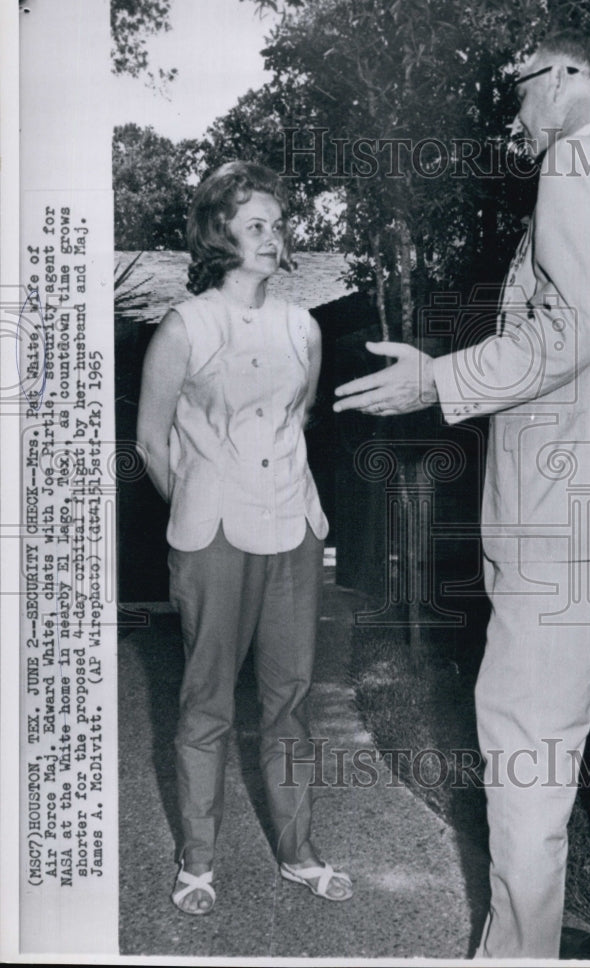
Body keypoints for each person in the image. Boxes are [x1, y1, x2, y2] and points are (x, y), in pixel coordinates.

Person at [333, 30, 590, 959]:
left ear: (573, 77)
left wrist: (438, 380)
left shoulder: (577, 164)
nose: (515, 111)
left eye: (523, 87)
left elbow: (571, 331)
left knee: (525, 753)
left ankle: (517, 955)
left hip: (567, 518)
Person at [137, 161, 353, 915]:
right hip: (212, 535)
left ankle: (297, 851)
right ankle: (198, 859)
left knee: (289, 701)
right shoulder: (185, 324)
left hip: (291, 526)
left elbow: (298, 420)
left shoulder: (304, 326)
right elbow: (150, 441)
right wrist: (198, 511)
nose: (273, 236)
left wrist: (287, 507)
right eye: (255, 223)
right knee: (206, 702)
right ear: (218, 234)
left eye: (278, 224)